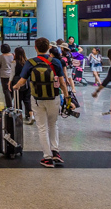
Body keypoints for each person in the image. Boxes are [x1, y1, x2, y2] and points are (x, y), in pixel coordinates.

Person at [14, 37, 71, 168]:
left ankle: (47, 157)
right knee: (53, 125)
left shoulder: (31, 62)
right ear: (49, 48)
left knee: (42, 127)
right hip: (54, 97)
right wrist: (67, 97)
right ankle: (55, 151)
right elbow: (62, 83)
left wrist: (15, 86)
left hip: (37, 99)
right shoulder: (56, 62)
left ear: (35, 47)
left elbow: (22, 81)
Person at [9, 46, 32, 122]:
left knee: (18, 99)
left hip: (17, 81)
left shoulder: (14, 62)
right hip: (27, 82)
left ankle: (19, 115)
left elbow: (12, 73)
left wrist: (9, 82)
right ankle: (29, 115)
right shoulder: (27, 61)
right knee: (27, 99)